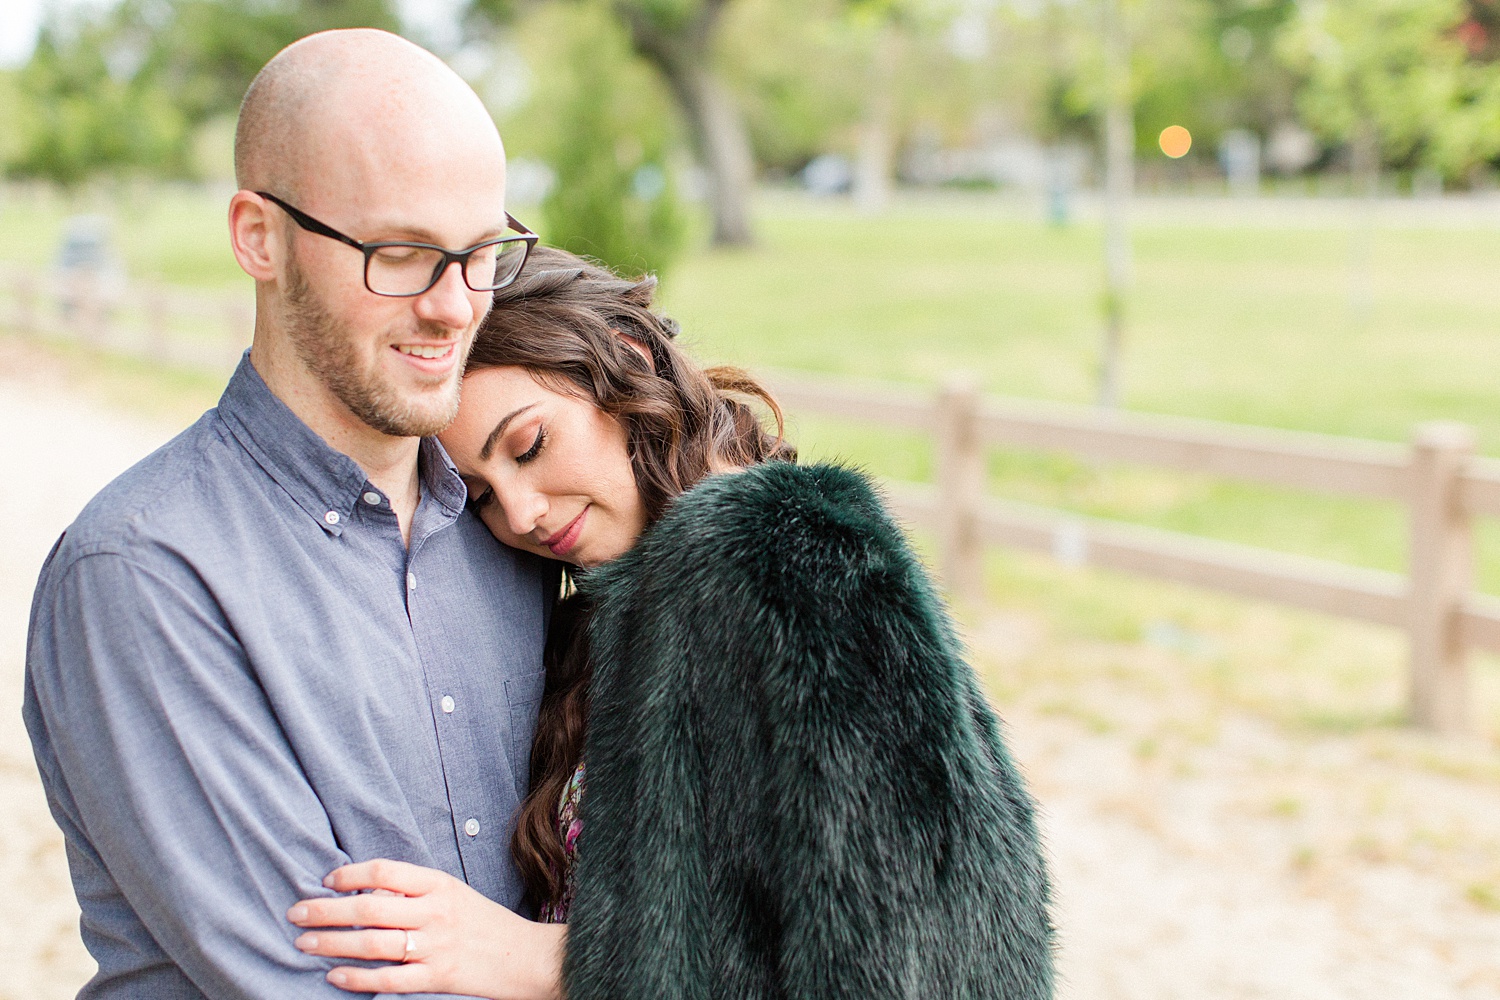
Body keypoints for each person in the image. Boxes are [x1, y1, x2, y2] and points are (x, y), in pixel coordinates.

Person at [285, 248, 1055, 999]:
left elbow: (903, 959)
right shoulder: (625, 600)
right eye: (481, 494)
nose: (519, 512)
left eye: (530, 445)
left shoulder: (790, 561)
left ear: (626, 362)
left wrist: (532, 958)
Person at [23, 30, 562, 999]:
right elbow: (316, 985)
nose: (453, 308)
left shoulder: (518, 528)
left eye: (481, 254)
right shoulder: (145, 570)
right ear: (257, 236)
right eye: (400, 255)